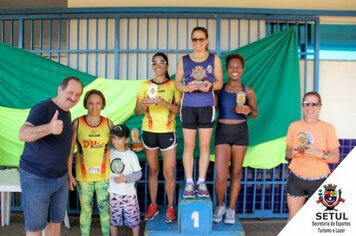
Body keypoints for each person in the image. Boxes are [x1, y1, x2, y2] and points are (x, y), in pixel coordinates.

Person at [18, 76, 83, 236]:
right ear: (60, 90)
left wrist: (68, 174)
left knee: (55, 223)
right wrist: (48, 128)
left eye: (78, 94)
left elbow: (66, 148)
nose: (74, 97)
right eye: (70, 92)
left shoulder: (67, 113)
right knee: (35, 229)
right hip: (36, 178)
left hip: (60, 179)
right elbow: (23, 133)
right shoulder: (43, 109)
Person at [175, 26, 223, 198]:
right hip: (188, 106)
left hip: (206, 106)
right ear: (191, 41)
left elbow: (219, 83)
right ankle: (189, 182)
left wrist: (210, 85)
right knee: (188, 145)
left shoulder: (213, 59)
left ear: (207, 40)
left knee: (204, 146)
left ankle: (201, 181)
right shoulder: (184, 60)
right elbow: (177, 84)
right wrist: (186, 88)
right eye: (194, 39)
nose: (198, 42)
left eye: (201, 39)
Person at [135, 52, 181, 222]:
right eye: (155, 62)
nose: (158, 65)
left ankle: (170, 207)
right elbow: (137, 111)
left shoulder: (174, 85)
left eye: (162, 62)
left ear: (167, 65)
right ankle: (153, 205)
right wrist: (143, 104)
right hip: (149, 131)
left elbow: (179, 110)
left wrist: (165, 104)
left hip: (168, 132)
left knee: (169, 172)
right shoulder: (144, 85)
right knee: (153, 170)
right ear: (152, 66)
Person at [213, 54, 258, 224]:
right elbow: (213, 108)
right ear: (226, 70)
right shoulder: (220, 89)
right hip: (222, 131)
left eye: (238, 67)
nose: (235, 70)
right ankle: (220, 205)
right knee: (221, 174)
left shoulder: (249, 91)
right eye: (231, 67)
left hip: (240, 132)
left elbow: (255, 113)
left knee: (237, 173)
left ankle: (231, 209)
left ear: (243, 69)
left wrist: (248, 110)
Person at [285, 91, 340, 220]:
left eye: (314, 104)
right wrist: (293, 152)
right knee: (293, 219)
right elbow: (287, 153)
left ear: (320, 106)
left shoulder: (328, 128)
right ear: (302, 106)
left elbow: (335, 157)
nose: (310, 107)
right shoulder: (294, 126)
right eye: (306, 104)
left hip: (319, 180)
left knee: (319, 222)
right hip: (296, 179)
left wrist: (319, 154)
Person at [67, 89, 114, 236]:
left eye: (98, 103)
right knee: (86, 211)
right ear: (86, 104)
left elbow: (118, 147)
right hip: (83, 178)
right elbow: (69, 152)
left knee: (105, 210)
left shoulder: (108, 123)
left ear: (103, 105)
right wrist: (70, 174)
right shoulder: (78, 123)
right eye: (91, 103)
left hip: (104, 177)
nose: (95, 106)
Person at [109, 124, 142, 236]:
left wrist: (126, 178)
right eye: (113, 138)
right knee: (113, 220)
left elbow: (139, 174)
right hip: (113, 193)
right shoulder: (109, 153)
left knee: (134, 221)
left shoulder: (131, 155)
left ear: (127, 139)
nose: (115, 141)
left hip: (129, 194)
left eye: (119, 138)